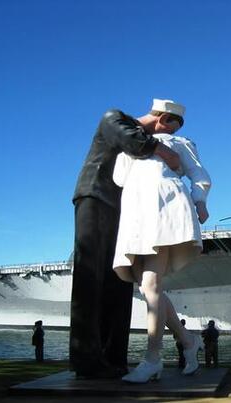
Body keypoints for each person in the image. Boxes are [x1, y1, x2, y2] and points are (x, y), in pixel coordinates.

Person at [70, 100, 181, 379]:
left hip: (125, 210)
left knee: (120, 282)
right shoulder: (114, 118)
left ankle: (114, 357)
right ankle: (86, 360)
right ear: (163, 119)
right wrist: (167, 153)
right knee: (90, 278)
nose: (168, 137)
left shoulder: (147, 140)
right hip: (95, 196)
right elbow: (134, 142)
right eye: (170, 129)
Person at [112, 99, 212, 382]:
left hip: (164, 207)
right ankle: (188, 340)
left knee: (151, 286)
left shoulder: (179, 143)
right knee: (148, 287)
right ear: (160, 118)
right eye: (169, 124)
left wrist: (200, 201)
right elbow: (119, 178)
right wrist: (134, 147)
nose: (170, 129)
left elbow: (198, 174)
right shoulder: (134, 145)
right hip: (136, 213)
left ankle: (153, 358)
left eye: (174, 126)